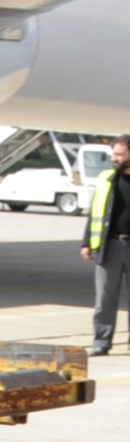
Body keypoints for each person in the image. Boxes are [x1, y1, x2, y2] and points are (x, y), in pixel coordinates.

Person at [80, 133, 130, 355]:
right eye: (114, 154)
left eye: (119, 154)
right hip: (110, 247)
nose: (115, 158)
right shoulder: (107, 178)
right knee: (105, 299)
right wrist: (86, 243)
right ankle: (101, 342)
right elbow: (95, 214)